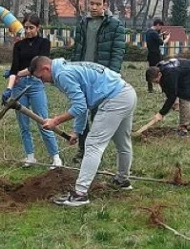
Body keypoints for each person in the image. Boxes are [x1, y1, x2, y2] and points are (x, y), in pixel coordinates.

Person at [29, 56, 137, 207]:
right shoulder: (67, 68)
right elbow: (83, 104)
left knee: (93, 145)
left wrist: (55, 121)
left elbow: (79, 106)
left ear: (46, 69)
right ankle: (122, 180)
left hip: (115, 98)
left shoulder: (62, 75)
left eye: (41, 77)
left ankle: (80, 194)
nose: (43, 81)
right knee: (122, 142)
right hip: (127, 92)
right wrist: (77, 132)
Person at [69, 0, 127, 156]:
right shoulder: (82, 23)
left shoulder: (115, 25)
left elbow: (117, 52)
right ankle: (83, 147)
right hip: (82, 74)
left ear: (105, 5)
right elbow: (77, 49)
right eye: (91, 3)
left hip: (101, 77)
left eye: (98, 4)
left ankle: (94, 150)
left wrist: (112, 74)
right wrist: (73, 69)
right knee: (80, 110)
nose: (94, 7)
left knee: (98, 114)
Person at [0, 14, 62, 168]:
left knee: (43, 121)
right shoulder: (18, 46)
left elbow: (38, 67)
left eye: (31, 28)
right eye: (26, 27)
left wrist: (18, 73)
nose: (28, 31)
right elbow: (14, 69)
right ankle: (30, 157)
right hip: (19, 87)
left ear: (38, 28)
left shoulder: (44, 43)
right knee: (23, 124)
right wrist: (9, 89)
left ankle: (56, 158)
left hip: (35, 85)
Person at [144, 58, 190, 137]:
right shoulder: (161, 70)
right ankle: (187, 125)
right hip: (186, 72)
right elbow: (168, 89)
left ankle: (183, 129)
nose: (156, 84)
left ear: (159, 74)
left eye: (156, 81)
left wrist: (161, 113)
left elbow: (172, 95)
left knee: (185, 97)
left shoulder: (169, 74)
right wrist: (175, 102)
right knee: (185, 96)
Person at [144, 18, 170, 92]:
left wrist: (161, 34)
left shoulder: (149, 31)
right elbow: (162, 42)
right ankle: (163, 88)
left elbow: (154, 38)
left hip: (150, 54)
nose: (161, 28)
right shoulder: (154, 33)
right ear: (158, 25)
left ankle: (150, 88)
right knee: (160, 71)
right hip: (156, 55)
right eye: (160, 26)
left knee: (150, 71)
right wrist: (168, 38)